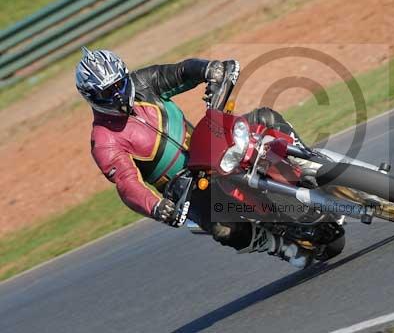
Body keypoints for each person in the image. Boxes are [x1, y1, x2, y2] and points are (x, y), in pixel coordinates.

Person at [75, 47, 313, 268]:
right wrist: (157, 207)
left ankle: (308, 162)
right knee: (224, 229)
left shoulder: (143, 83)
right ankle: (279, 246)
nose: (118, 95)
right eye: (107, 92)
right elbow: (127, 183)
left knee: (264, 119)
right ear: (91, 97)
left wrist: (208, 69)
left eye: (120, 85)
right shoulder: (104, 141)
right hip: (187, 186)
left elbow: (180, 72)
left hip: (207, 145)